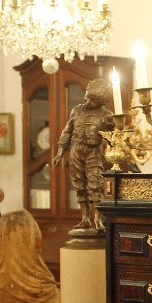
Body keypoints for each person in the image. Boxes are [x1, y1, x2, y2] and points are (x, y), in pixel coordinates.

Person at [53, 77, 115, 232]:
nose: (87, 100)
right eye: (87, 96)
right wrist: (60, 153)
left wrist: (113, 131)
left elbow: (113, 138)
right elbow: (67, 132)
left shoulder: (106, 115)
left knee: (95, 184)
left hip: (93, 152)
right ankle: (84, 219)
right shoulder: (77, 110)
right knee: (79, 184)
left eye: (91, 99)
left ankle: (97, 219)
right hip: (75, 150)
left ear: (100, 102)